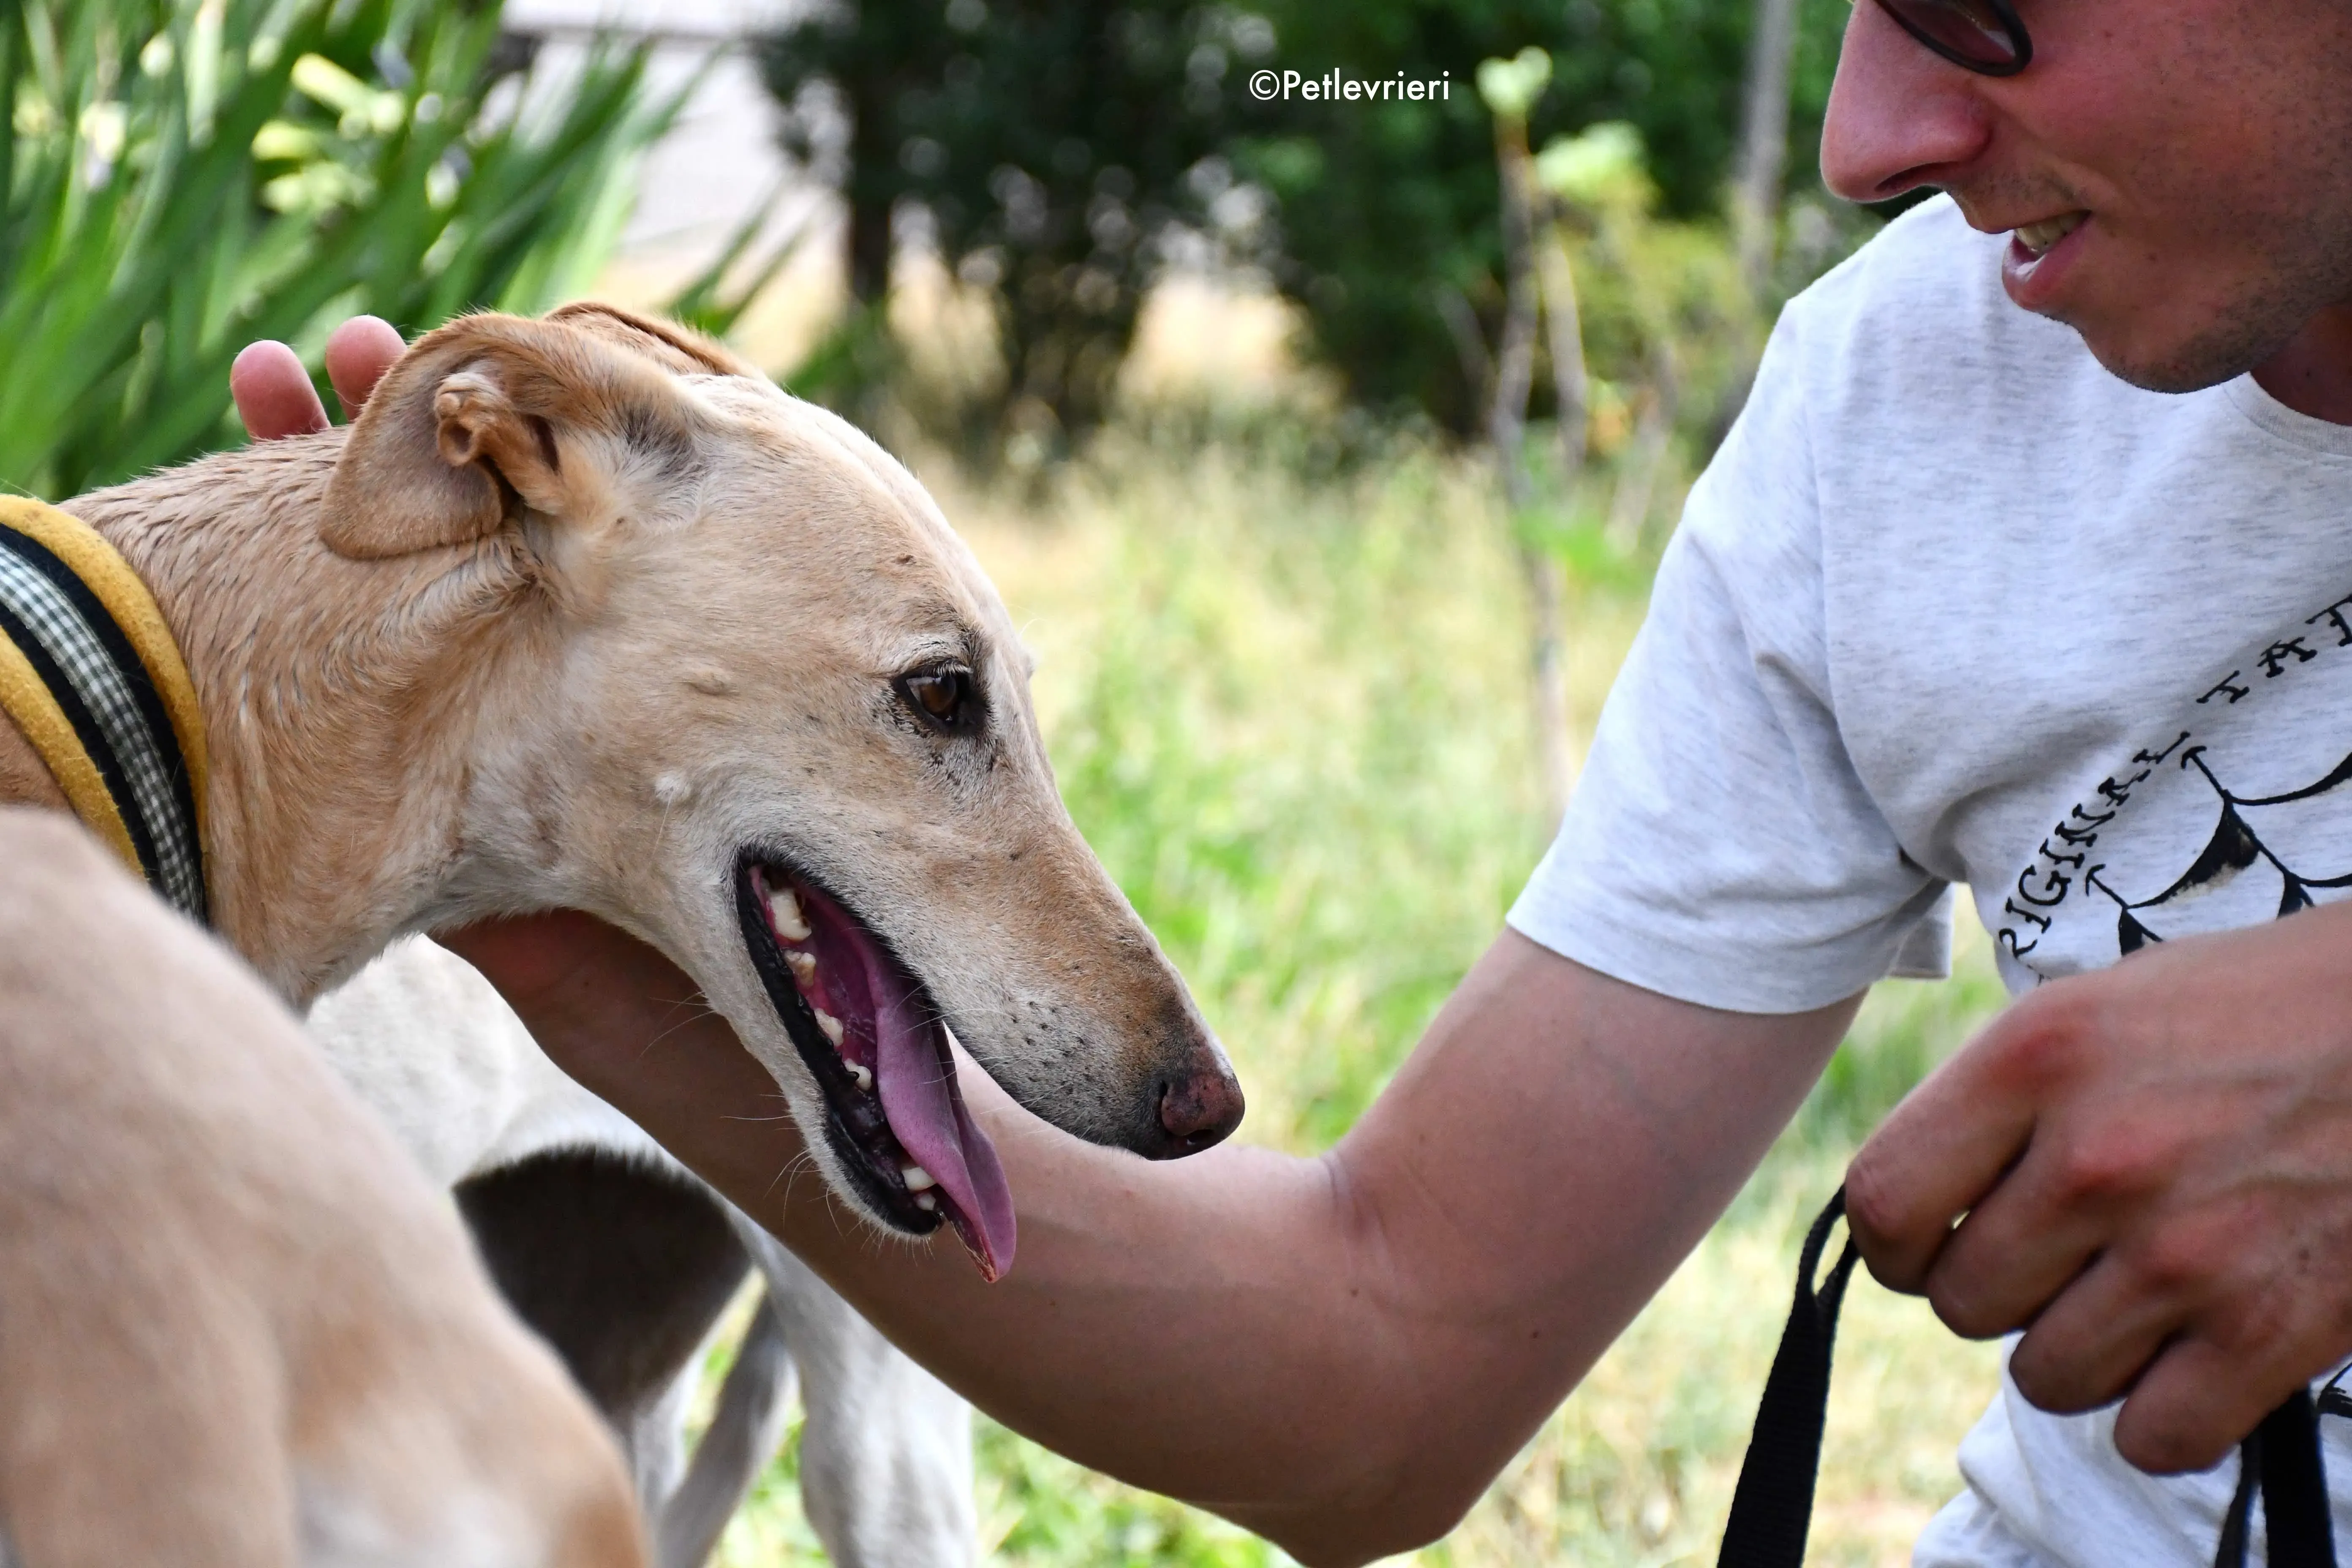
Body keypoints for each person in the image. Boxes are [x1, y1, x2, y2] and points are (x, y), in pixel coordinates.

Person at [231, 1, 2352, 1562]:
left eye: (1988, 11)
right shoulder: (1900, 415)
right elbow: (1378, 1366)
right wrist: (562, 908)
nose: (1865, 142)